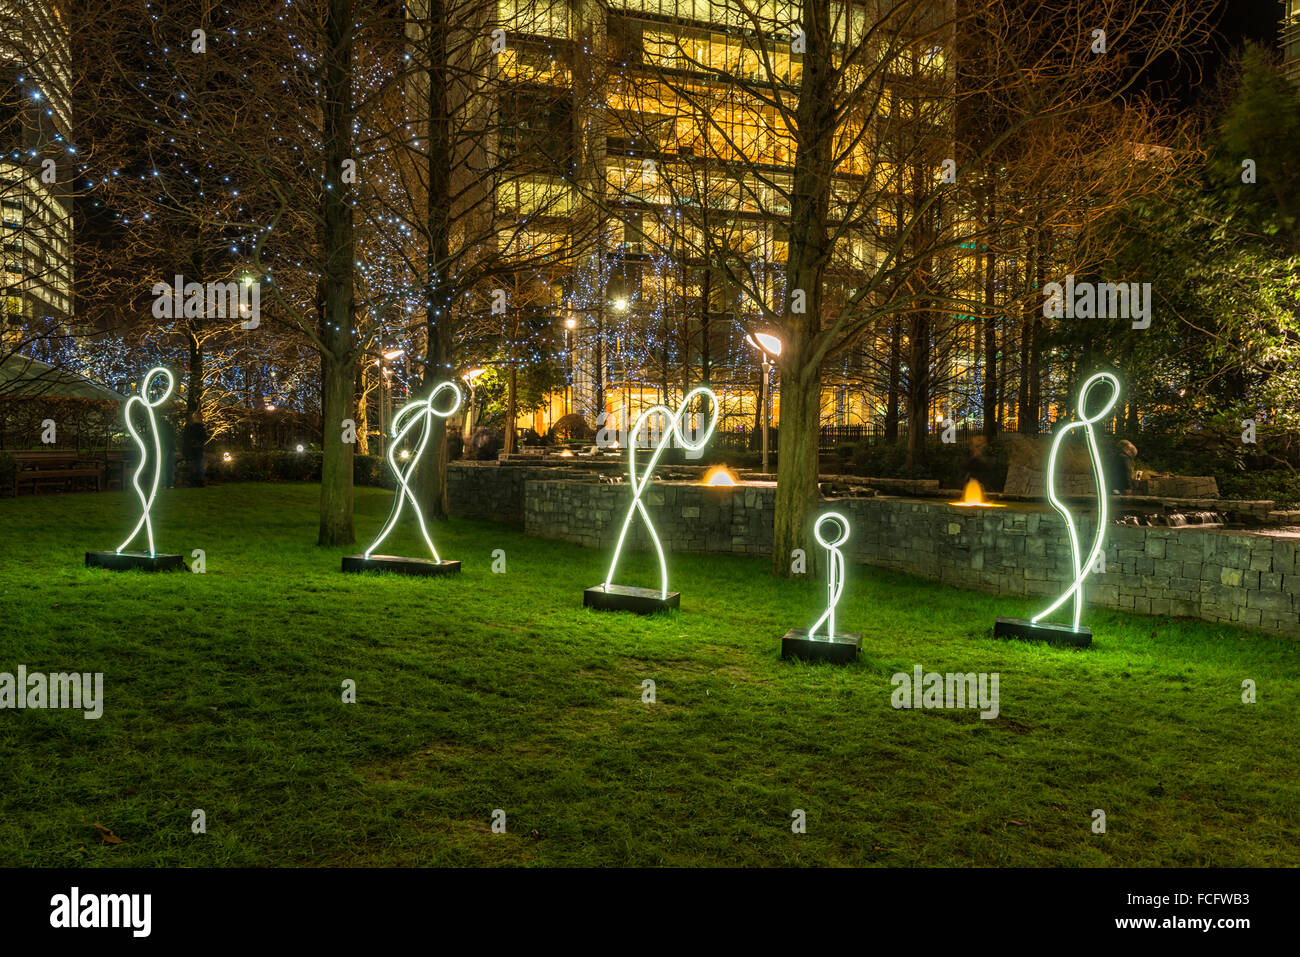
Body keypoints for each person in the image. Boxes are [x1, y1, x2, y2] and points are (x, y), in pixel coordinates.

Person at [182, 410, 208, 487]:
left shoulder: (192, 427)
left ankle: (196, 481)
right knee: (197, 464)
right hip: (196, 449)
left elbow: (186, 438)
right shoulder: (197, 427)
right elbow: (203, 437)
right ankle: (197, 481)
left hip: (195, 449)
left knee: (196, 465)